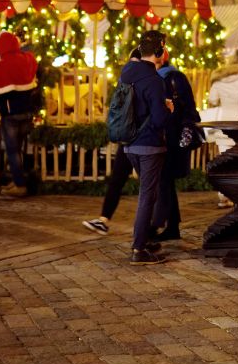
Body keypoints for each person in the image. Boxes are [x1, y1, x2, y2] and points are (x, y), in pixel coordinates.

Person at [121, 30, 173, 265]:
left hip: (129, 143)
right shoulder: (155, 80)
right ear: (160, 51)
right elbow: (160, 118)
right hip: (149, 144)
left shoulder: (126, 74)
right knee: (147, 196)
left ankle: (144, 238)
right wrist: (168, 108)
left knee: (148, 193)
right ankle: (139, 249)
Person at [84, 49, 141, 236]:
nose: (131, 67)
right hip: (127, 138)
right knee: (117, 179)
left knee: (151, 184)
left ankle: (156, 224)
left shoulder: (149, 80)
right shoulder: (127, 80)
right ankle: (103, 219)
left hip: (143, 140)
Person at [0, 32, 39, 198]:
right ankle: (17, 180)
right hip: (27, 112)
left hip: (10, 114)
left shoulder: (0, 66)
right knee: (19, 149)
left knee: (12, 151)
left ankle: (20, 185)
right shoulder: (27, 59)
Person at [153, 53, 200, 243]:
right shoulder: (154, 78)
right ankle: (171, 226)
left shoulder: (174, 78)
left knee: (164, 180)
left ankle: (158, 225)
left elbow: (189, 108)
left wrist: (184, 130)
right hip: (162, 136)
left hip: (173, 137)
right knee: (166, 181)